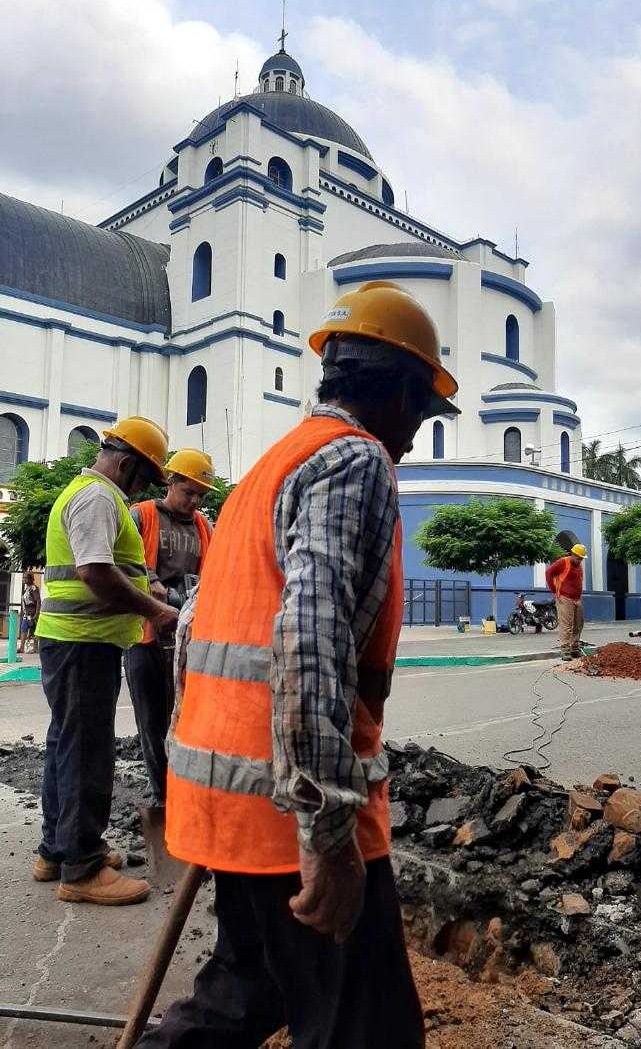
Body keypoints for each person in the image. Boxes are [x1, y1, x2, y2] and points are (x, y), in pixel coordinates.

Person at [138, 281, 460, 1049]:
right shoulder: (355, 460)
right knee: (367, 1028)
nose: (416, 434)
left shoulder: (270, 468)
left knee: (243, 996)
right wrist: (327, 832)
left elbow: (194, 633)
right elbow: (309, 643)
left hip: (228, 796)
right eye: (420, 410)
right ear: (396, 393)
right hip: (288, 811)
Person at [34, 417, 180, 906]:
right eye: (144, 477)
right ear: (125, 463)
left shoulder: (96, 496)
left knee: (66, 742)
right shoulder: (98, 498)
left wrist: (149, 586)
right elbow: (94, 572)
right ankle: (82, 867)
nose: (143, 488)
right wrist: (155, 610)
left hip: (75, 642)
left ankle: (56, 849)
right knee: (86, 750)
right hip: (83, 642)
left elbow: (113, 566)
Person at [125, 449, 214, 809]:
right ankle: (164, 797)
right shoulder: (141, 515)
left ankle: (185, 792)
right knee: (152, 720)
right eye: (188, 491)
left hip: (188, 639)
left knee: (189, 720)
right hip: (145, 637)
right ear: (171, 482)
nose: (194, 501)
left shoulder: (205, 526)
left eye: (200, 495)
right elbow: (117, 562)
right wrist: (148, 580)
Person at [546, 543, 587, 660]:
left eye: (581, 558)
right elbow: (548, 573)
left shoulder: (579, 566)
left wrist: (578, 596)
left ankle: (574, 647)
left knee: (578, 624)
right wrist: (554, 590)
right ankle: (565, 649)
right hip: (564, 597)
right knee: (566, 624)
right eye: (578, 557)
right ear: (573, 554)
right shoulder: (563, 562)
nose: (580, 560)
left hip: (577, 599)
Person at [18, 571, 40, 654]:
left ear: (31, 579)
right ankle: (21, 648)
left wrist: (37, 613)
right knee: (23, 628)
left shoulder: (33, 588)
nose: (24, 579)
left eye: (26, 577)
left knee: (33, 629)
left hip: (32, 612)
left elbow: (38, 601)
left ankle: (35, 648)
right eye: (24, 577)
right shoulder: (26, 588)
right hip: (26, 613)